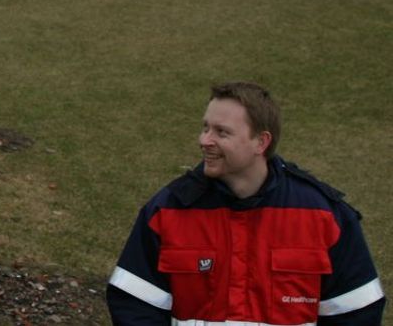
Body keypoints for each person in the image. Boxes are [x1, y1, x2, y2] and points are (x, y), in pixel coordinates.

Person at [107, 81, 385, 325]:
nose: (204, 140)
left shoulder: (325, 216)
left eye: (221, 132)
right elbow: (134, 305)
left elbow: (356, 311)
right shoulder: (168, 211)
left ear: (260, 142)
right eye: (205, 128)